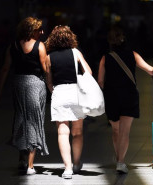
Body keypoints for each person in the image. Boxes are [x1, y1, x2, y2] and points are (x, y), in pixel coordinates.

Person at [98, 26, 153, 173]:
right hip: (128, 96)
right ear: (124, 39)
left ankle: (119, 157)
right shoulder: (133, 54)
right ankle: (120, 162)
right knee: (125, 132)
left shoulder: (105, 58)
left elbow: (100, 81)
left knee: (116, 131)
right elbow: (149, 69)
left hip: (111, 96)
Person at [0, 17, 49, 175]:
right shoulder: (40, 46)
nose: (42, 32)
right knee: (34, 120)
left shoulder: (12, 46)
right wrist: (51, 86)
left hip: (18, 84)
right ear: (32, 30)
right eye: (39, 29)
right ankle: (30, 165)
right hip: (35, 85)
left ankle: (21, 159)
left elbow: (5, 69)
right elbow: (46, 69)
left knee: (21, 119)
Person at [45, 25, 92, 179]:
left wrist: (54, 91)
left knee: (62, 132)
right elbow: (88, 72)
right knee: (77, 132)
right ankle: (77, 163)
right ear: (70, 37)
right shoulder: (75, 52)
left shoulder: (49, 57)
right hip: (76, 92)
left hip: (59, 93)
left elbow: (49, 81)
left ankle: (67, 168)